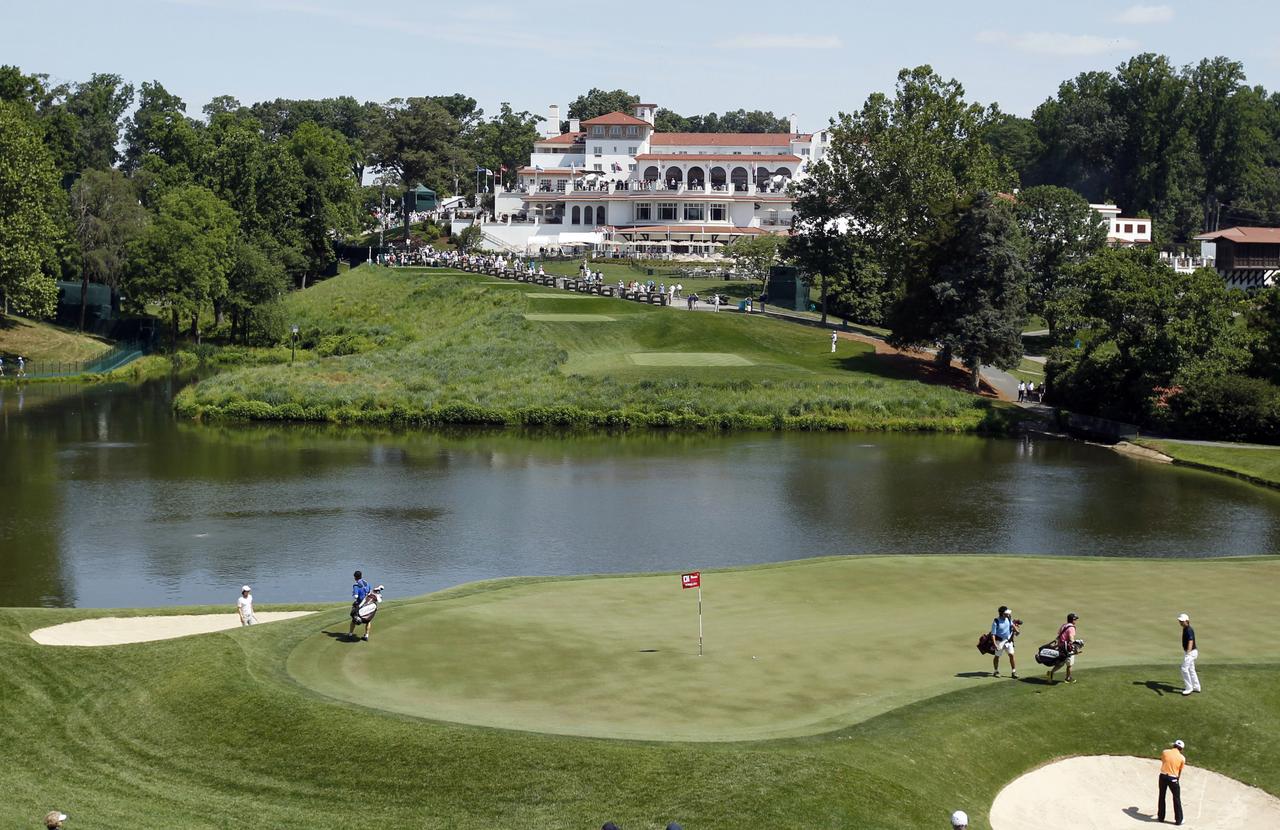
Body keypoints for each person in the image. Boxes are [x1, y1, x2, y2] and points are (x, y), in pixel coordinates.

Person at [1157, 739, 1186, 825]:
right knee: (1176, 799)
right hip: (1173, 779)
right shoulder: (1182, 758)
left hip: (1162, 776)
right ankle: (1179, 820)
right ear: (1181, 749)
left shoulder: (1165, 752)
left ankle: (1161, 817)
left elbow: (1163, 761)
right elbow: (1179, 771)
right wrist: (1177, 779)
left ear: (1173, 745)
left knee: (1162, 796)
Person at [1048, 612, 1079, 683]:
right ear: (1073, 620)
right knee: (1069, 664)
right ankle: (1068, 678)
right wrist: (1075, 649)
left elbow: (1059, 635)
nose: (1076, 621)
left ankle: (1051, 673)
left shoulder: (1063, 625)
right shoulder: (1071, 628)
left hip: (1060, 647)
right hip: (1067, 648)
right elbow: (1071, 639)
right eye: (1075, 619)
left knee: (1061, 663)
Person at [990, 606, 1019, 678]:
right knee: (997, 656)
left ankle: (1014, 672)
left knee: (1011, 655)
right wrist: (994, 644)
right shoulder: (996, 621)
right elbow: (993, 634)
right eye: (1006, 614)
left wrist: (1016, 630)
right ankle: (996, 671)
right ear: (1002, 614)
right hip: (999, 642)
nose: (1008, 615)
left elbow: (1012, 625)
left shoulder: (1008, 618)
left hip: (1008, 641)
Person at [1178, 613, 1200, 696]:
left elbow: (1191, 641)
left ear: (1187, 621)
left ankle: (1189, 688)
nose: (1180, 622)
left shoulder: (1189, 630)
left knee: (1184, 668)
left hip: (1190, 652)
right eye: (1180, 621)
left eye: (1182, 621)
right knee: (1191, 669)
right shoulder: (1185, 628)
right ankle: (1196, 687)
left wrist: (1188, 653)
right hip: (1190, 652)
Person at [347, 570, 371, 638]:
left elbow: (356, 596)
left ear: (355, 577)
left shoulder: (356, 585)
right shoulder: (367, 583)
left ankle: (350, 634)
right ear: (361, 576)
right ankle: (366, 635)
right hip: (367, 604)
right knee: (368, 620)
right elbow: (369, 593)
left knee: (354, 619)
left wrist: (354, 594)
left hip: (360, 605)